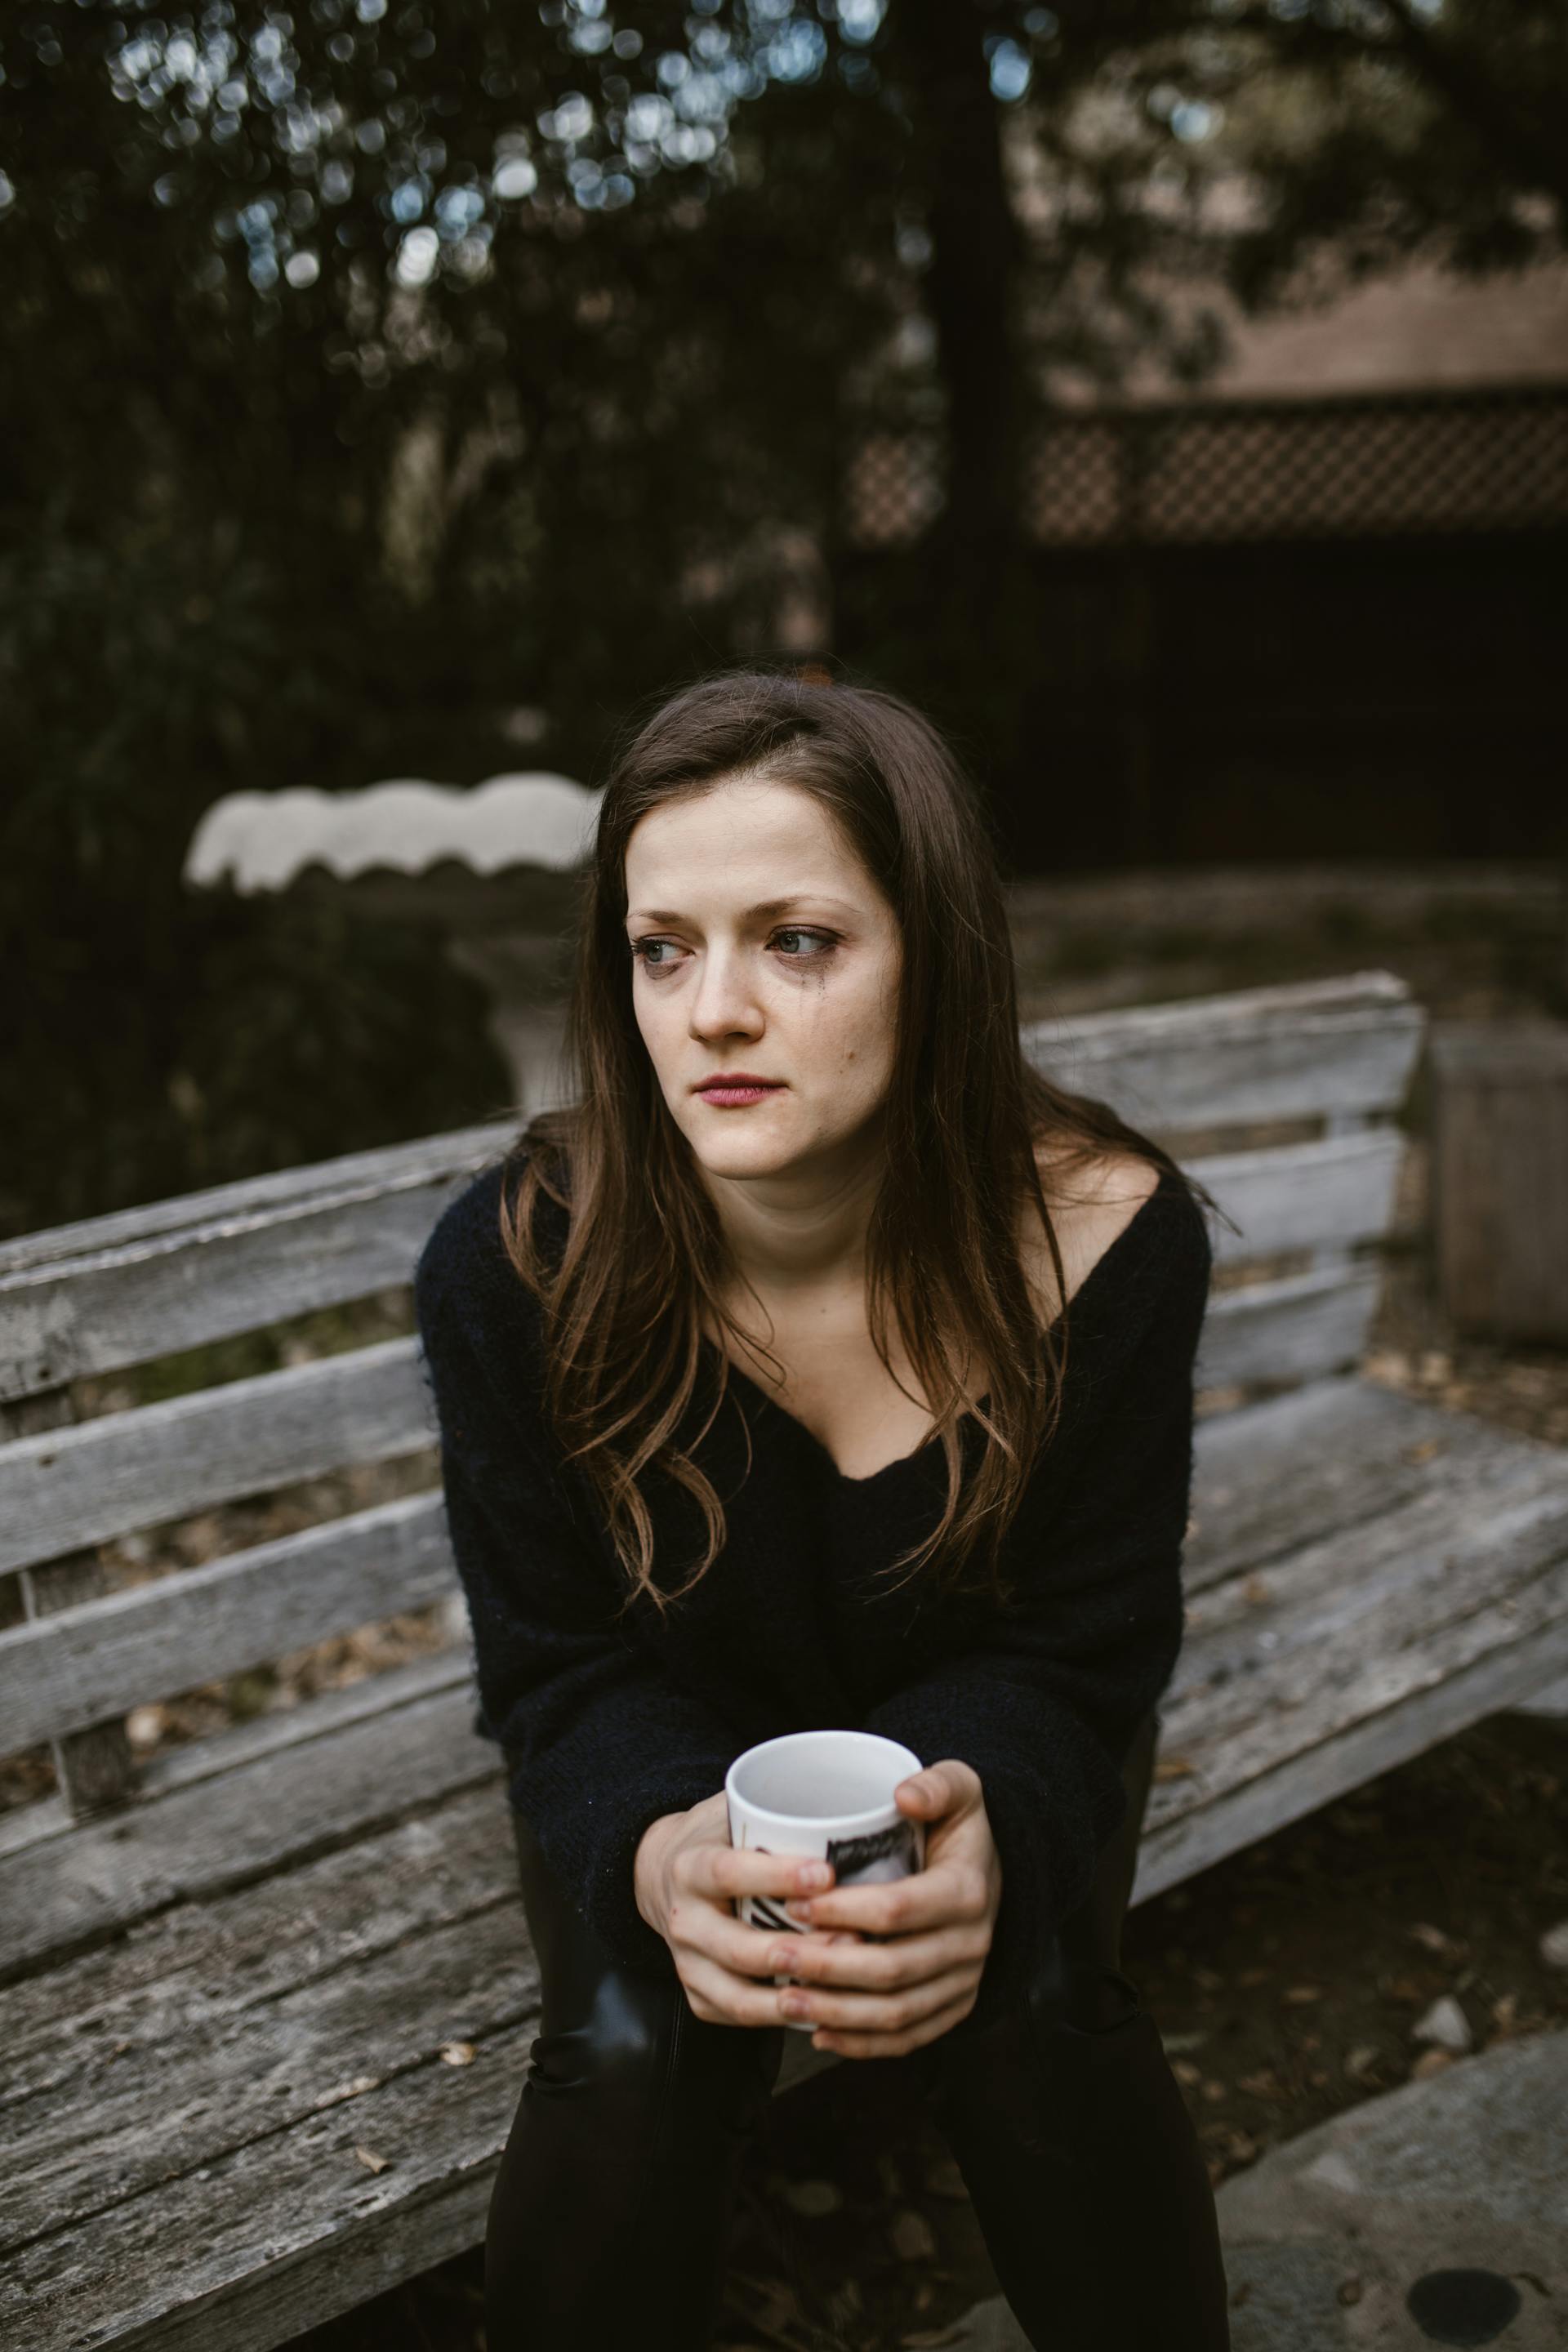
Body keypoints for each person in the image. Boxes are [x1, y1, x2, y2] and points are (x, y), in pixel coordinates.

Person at [412, 664, 1232, 2350]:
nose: (713, 1011)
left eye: (797, 940)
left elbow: (1087, 1644)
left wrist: (992, 1816)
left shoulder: (1106, 1244)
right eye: (663, 948)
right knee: (631, 2047)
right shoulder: (519, 1274)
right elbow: (559, 1677)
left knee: (1043, 2002)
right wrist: (656, 1852)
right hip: (667, 1744)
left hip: (996, 1729)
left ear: (932, 956)